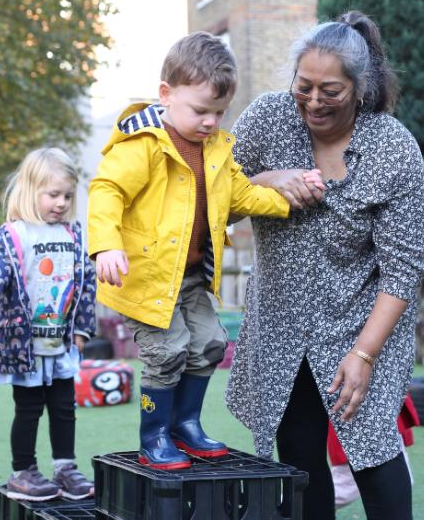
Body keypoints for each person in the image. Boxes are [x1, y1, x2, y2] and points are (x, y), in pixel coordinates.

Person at [87, 32, 323, 470]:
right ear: (166, 94)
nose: (211, 122)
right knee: (168, 349)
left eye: (219, 112)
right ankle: (153, 436)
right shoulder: (144, 144)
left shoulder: (216, 150)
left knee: (211, 342)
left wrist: (290, 198)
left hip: (190, 276)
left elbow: (242, 198)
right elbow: (107, 190)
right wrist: (105, 245)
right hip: (145, 278)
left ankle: (185, 425)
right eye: (200, 110)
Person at [225, 10, 424, 520]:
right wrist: (267, 181)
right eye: (304, 86)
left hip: (365, 320)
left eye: (330, 91)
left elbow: (404, 268)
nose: (314, 101)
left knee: (376, 450)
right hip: (284, 323)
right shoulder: (266, 120)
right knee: (301, 459)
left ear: (360, 88)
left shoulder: (392, 147)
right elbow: (214, 198)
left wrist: (364, 354)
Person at [0, 148, 96, 501]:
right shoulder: (15, 235)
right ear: (31, 192)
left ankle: (65, 467)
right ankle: (23, 472)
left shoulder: (72, 234)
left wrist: (81, 329)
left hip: (59, 342)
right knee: (28, 408)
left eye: (67, 196)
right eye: (52, 194)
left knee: (64, 407)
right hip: (25, 344)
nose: (60, 203)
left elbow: (86, 283)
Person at [328, 393, 420, 509]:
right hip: (363, 413)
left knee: (399, 483)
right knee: (343, 489)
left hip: (383, 407)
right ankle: (306, 509)